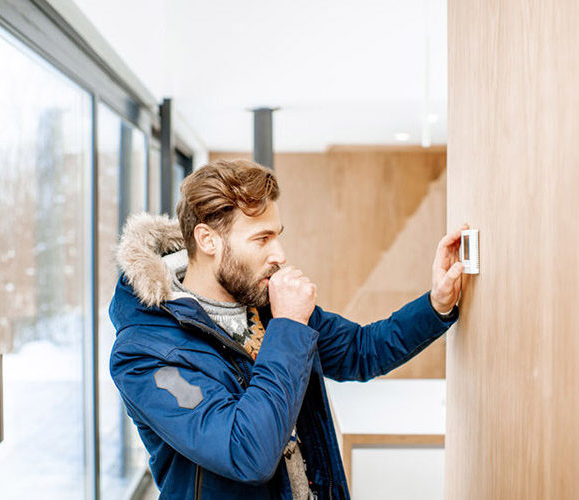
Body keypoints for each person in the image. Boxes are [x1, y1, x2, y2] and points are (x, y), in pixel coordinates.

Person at [109, 159, 465, 499]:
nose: (279, 253)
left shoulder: (264, 303)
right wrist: (289, 326)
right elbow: (247, 453)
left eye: (277, 236)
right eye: (262, 239)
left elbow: (361, 350)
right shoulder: (145, 352)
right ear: (207, 240)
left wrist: (437, 305)